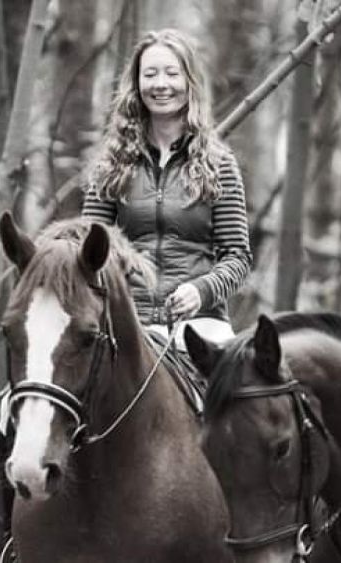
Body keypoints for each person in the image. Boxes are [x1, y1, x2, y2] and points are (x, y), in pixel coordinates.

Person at [82, 28, 252, 350]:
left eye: (172, 73)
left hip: (200, 325)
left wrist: (201, 291)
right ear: (137, 84)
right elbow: (89, 251)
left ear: (189, 83)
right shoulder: (110, 164)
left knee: (231, 396)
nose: (161, 84)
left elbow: (237, 258)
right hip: (125, 321)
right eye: (150, 74)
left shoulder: (220, 163)